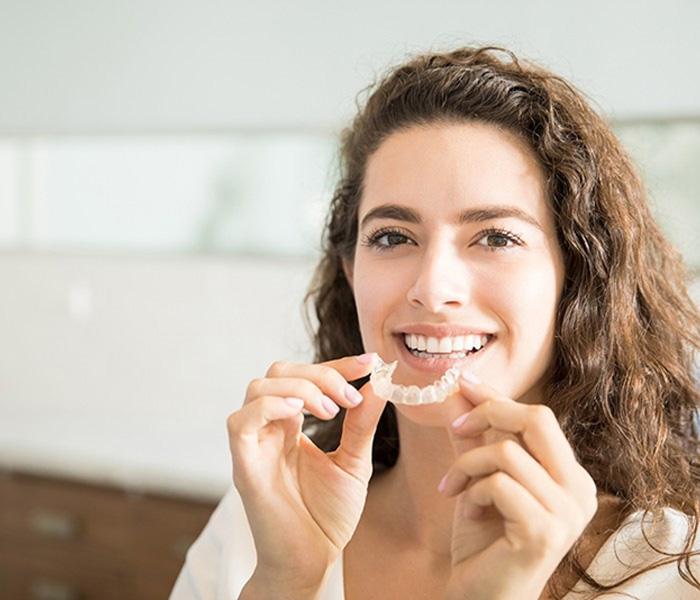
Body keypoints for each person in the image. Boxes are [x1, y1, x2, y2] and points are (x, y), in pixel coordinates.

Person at [170, 45, 700, 599]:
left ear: (579, 277)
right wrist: (286, 581)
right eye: (393, 237)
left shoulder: (668, 571)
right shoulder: (263, 522)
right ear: (351, 272)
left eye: (496, 237)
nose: (431, 288)